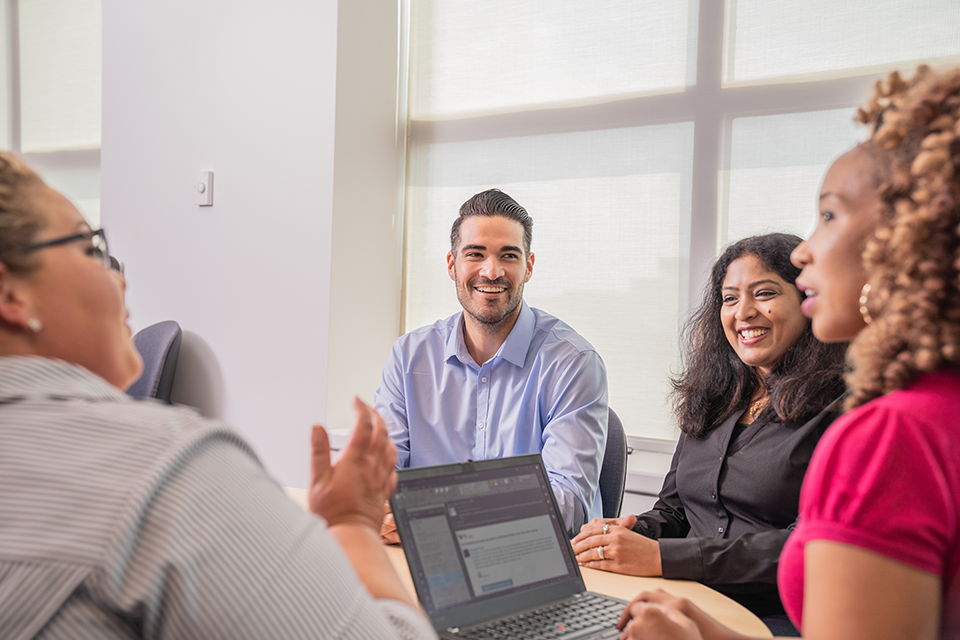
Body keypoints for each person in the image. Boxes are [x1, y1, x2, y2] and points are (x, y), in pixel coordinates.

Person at [0, 152, 437, 640]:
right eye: (91, 250)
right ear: (10, 294)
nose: (120, 278)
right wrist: (353, 525)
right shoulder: (172, 473)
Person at [617, 65, 960, 640]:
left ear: (903, 236)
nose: (806, 255)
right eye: (729, 298)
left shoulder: (888, 430)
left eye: (828, 215)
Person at [571, 233, 847, 636]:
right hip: (684, 596)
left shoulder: (842, 409)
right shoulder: (714, 397)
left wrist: (663, 557)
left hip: (777, 618)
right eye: (730, 298)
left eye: (764, 293)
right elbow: (675, 510)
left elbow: (805, 547)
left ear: (807, 301)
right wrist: (630, 533)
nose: (744, 312)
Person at [374, 189, 608, 538]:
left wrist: (439, 519)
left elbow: (568, 504)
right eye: (476, 254)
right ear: (453, 265)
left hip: (533, 559)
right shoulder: (409, 357)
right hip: (428, 557)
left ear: (528, 267)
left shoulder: (573, 363)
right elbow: (380, 476)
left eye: (508, 255)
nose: (492, 271)